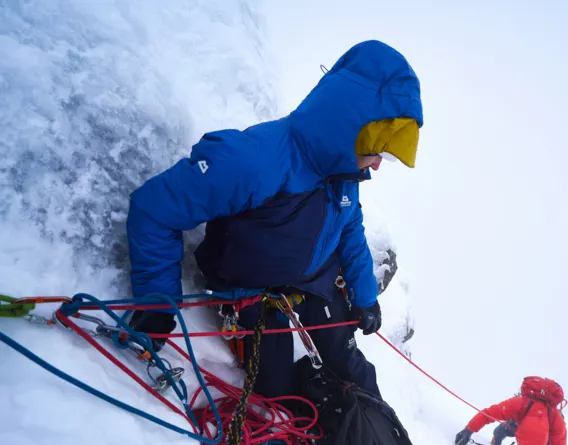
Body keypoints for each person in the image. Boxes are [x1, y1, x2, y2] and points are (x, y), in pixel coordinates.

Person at [124, 39, 423, 401]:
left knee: (354, 372)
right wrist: (157, 304)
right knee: (277, 392)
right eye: (379, 151)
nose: (377, 164)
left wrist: (365, 297)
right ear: (352, 126)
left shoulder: (345, 175)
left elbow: (350, 231)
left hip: (314, 282)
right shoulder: (255, 161)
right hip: (252, 291)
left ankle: (375, 432)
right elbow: (155, 208)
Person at [453, 376, 567, 445]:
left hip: (543, 439)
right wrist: (468, 430)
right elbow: (488, 414)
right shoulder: (520, 404)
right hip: (517, 423)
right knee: (500, 431)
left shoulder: (557, 421)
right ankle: (496, 441)